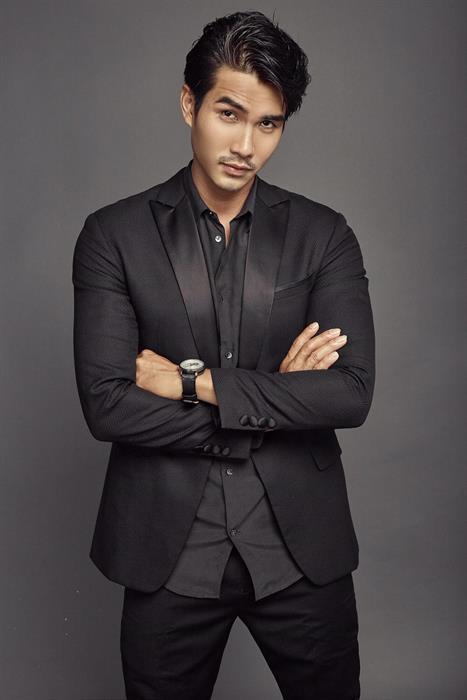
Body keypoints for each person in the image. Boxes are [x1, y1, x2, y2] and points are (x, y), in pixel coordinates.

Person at [72, 10, 375, 700]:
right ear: (190, 103)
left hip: (301, 550)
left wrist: (192, 382)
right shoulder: (113, 236)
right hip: (168, 553)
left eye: (268, 124)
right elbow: (109, 406)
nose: (245, 145)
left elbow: (349, 392)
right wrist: (275, 398)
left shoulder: (324, 235)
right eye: (229, 113)